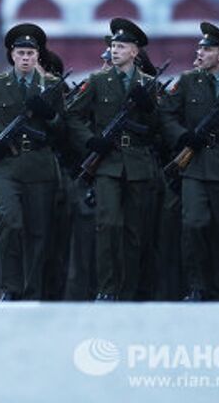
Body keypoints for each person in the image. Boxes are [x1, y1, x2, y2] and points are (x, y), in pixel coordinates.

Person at [0, 23, 64, 300]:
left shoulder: (52, 86)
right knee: (9, 221)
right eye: (21, 53)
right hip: (8, 165)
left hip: (41, 166)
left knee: (38, 232)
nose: (26, 58)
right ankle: (10, 288)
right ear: (12, 55)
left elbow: (65, 128)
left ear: (38, 56)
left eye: (31, 53)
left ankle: (33, 291)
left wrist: (49, 116)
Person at [66, 18, 160, 301]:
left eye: (121, 46)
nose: (115, 50)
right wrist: (91, 141)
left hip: (138, 163)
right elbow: (72, 115)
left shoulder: (149, 85)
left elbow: (160, 126)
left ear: (135, 52)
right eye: (113, 46)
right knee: (108, 224)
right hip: (107, 163)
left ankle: (129, 290)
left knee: (134, 231)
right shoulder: (97, 81)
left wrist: (149, 107)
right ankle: (107, 289)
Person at [160, 22, 219, 301]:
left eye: (208, 49)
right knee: (194, 223)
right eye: (200, 48)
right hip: (195, 164)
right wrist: (184, 136)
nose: (200, 53)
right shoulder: (188, 80)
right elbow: (167, 115)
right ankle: (197, 286)